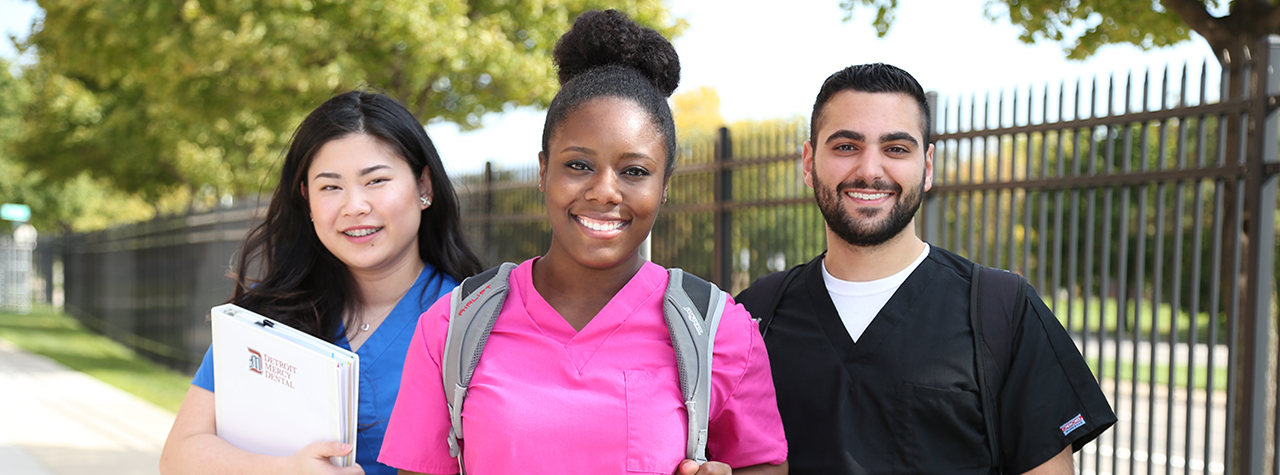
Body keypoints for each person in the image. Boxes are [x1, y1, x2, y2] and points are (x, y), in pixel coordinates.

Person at [378, 10, 788, 475]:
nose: (604, 191)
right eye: (578, 165)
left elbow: (764, 465)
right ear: (542, 171)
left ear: (665, 185)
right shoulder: (454, 327)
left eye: (634, 171)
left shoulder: (717, 330)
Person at [735, 63, 1115, 475]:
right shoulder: (755, 315)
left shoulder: (1001, 310)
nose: (870, 170)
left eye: (896, 148)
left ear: (927, 166)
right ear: (808, 163)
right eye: (846, 146)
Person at [159, 91, 484, 475]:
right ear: (307, 200)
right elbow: (179, 455)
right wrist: (287, 469)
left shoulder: (475, 322)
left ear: (423, 186)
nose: (355, 206)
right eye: (330, 187)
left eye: (376, 180)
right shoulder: (269, 317)